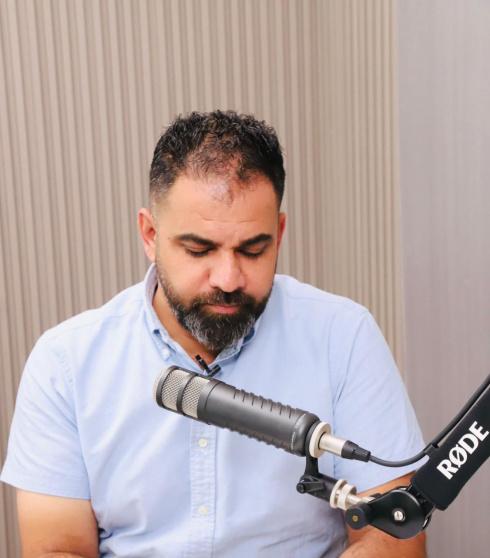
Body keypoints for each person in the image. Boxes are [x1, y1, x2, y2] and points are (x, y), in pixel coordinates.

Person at [1, 111, 426, 557]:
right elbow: (56, 548)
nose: (228, 278)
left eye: (253, 250)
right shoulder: (65, 362)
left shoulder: (343, 336)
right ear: (150, 234)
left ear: (279, 234)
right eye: (199, 249)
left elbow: (395, 537)